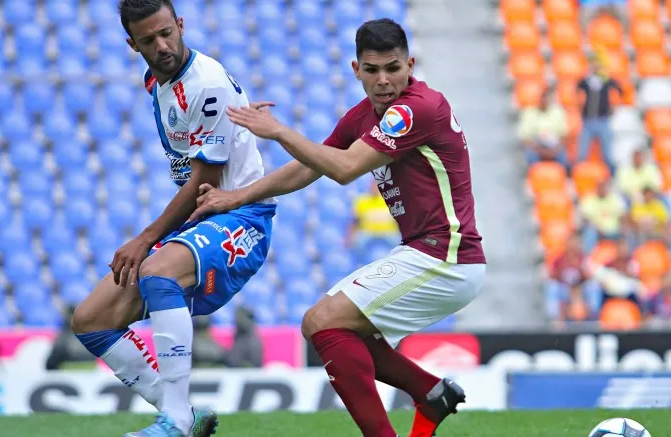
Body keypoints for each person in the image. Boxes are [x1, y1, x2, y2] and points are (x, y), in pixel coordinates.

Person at [191, 18, 486, 437]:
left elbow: (345, 169)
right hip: (426, 252)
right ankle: (430, 393)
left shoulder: (416, 108)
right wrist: (236, 197)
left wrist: (279, 132)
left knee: (322, 322)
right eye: (372, 70)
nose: (383, 80)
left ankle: (417, 399)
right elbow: (310, 167)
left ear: (410, 65)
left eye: (393, 68)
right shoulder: (364, 116)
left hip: (447, 257)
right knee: (336, 330)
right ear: (355, 70)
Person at [69, 2, 276, 436]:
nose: (161, 46)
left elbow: (206, 179)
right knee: (90, 319)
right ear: (133, 45)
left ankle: (176, 421)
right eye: (148, 40)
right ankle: (184, 413)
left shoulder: (206, 84)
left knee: (158, 271)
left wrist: (145, 238)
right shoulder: (157, 80)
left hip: (240, 214)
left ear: (181, 25)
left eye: (167, 33)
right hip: (201, 217)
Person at [517, 87, 569, 169]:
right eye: (542, 98)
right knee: (531, 156)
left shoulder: (558, 112)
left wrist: (555, 150)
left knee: (563, 157)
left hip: (554, 146)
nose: (544, 101)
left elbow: (564, 135)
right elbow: (525, 137)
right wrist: (540, 150)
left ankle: (564, 173)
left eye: (546, 98)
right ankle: (534, 174)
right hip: (536, 146)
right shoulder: (529, 112)